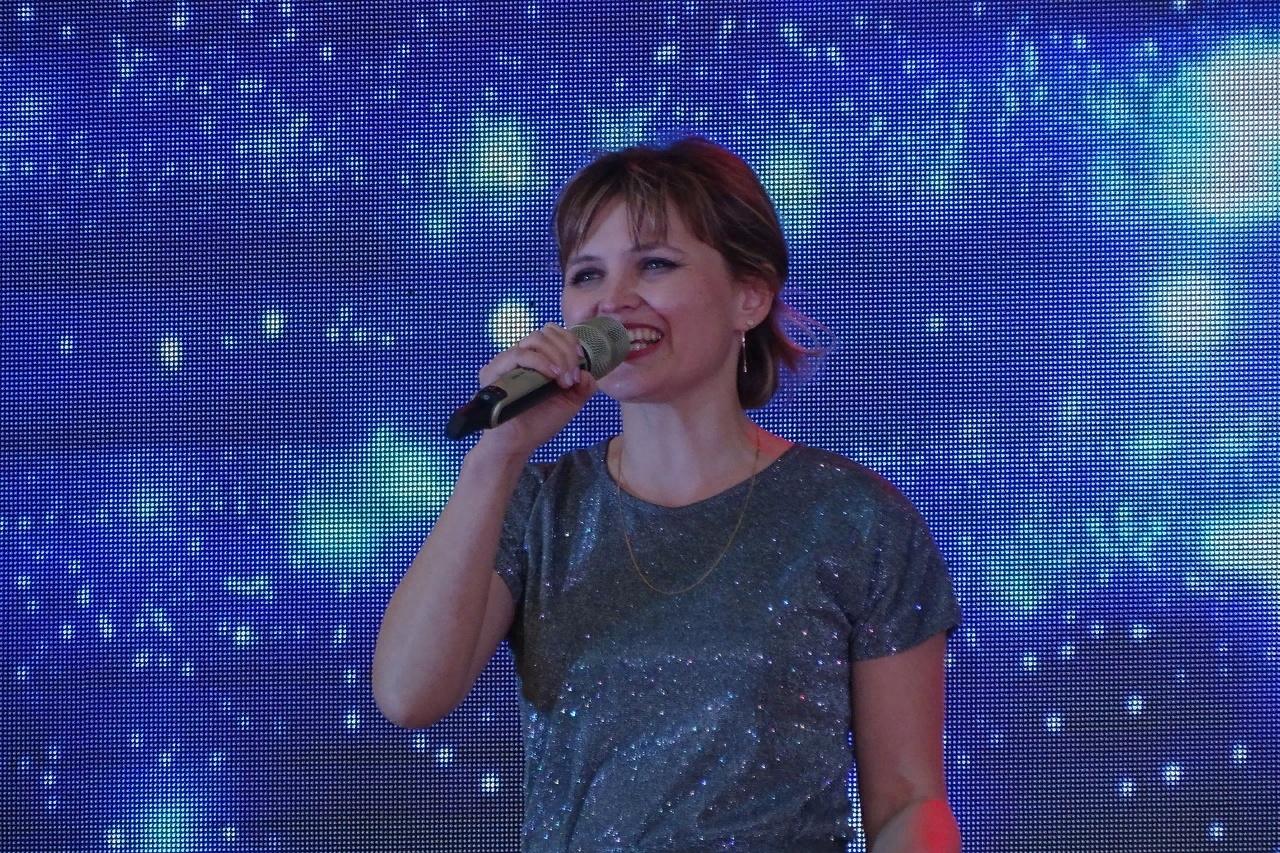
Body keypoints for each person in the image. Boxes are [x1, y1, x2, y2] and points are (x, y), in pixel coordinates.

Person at [372, 137, 962, 852]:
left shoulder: (854, 518)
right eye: (587, 274)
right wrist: (497, 455)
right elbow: (408, 695)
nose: (613, 301)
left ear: (749, 295)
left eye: (654, 264)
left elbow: (908, 801)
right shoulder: (538, 504)